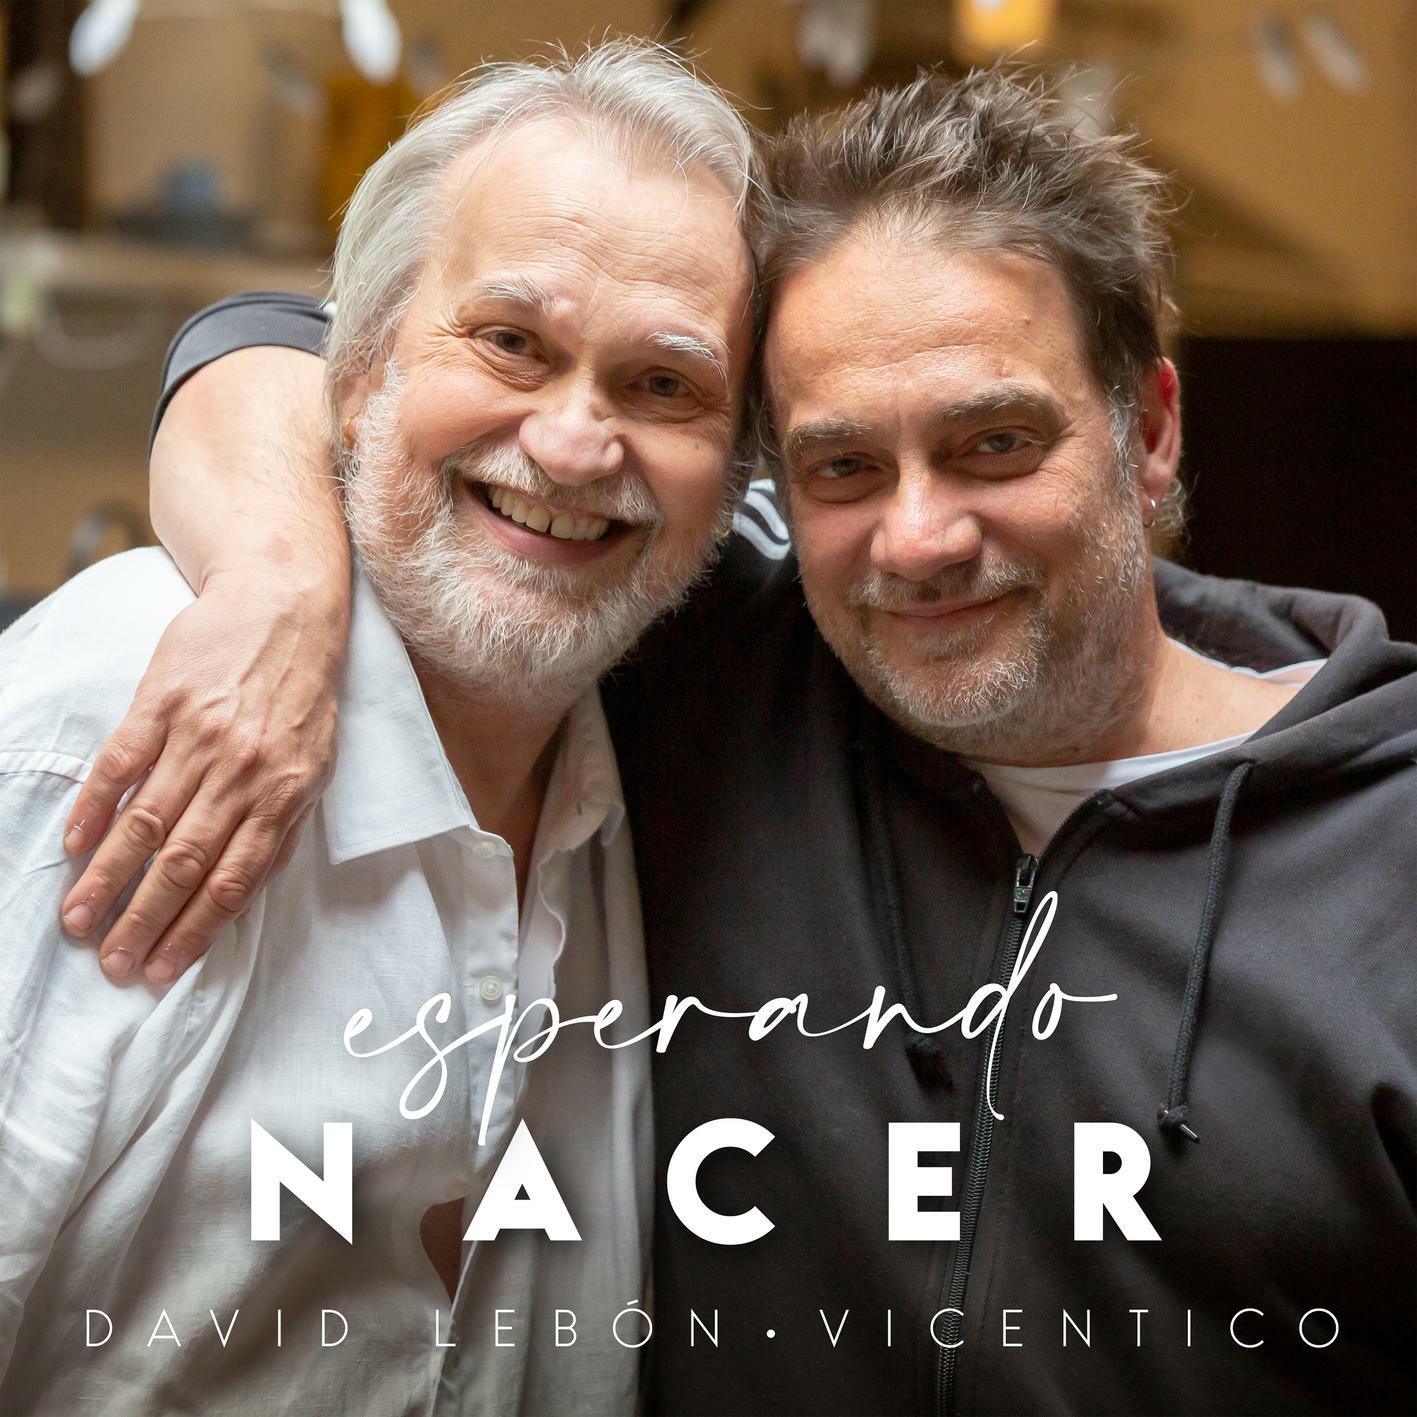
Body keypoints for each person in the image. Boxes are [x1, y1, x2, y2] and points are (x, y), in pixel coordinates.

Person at [64, 68, 1416, 1416]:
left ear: (1150, 430)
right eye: (843, 467)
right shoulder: (721, 662)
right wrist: (278, 577)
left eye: (995, 443)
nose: (918, 538)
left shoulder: (1388, 854)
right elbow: (284, 346)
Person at [0, 41, 756, 1415]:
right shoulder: (110, 717)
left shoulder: (659, 775)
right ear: (352, 373)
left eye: (666, 385)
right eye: (511, 342)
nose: (575, 446)